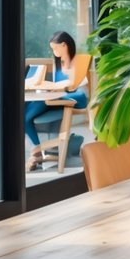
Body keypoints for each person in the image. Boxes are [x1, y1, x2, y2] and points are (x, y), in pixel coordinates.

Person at [24, 30, 89, 171]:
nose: (53, 52)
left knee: (43, 99)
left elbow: (76, 83)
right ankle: (36, 149)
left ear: (64, 45)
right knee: (24, 114)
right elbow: (57, 87)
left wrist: (55, 87)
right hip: (59, 96)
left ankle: (36, 151)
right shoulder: (57, 64)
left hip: (77, 96)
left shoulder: (80, 61)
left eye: (55, 48)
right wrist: (48, 87)